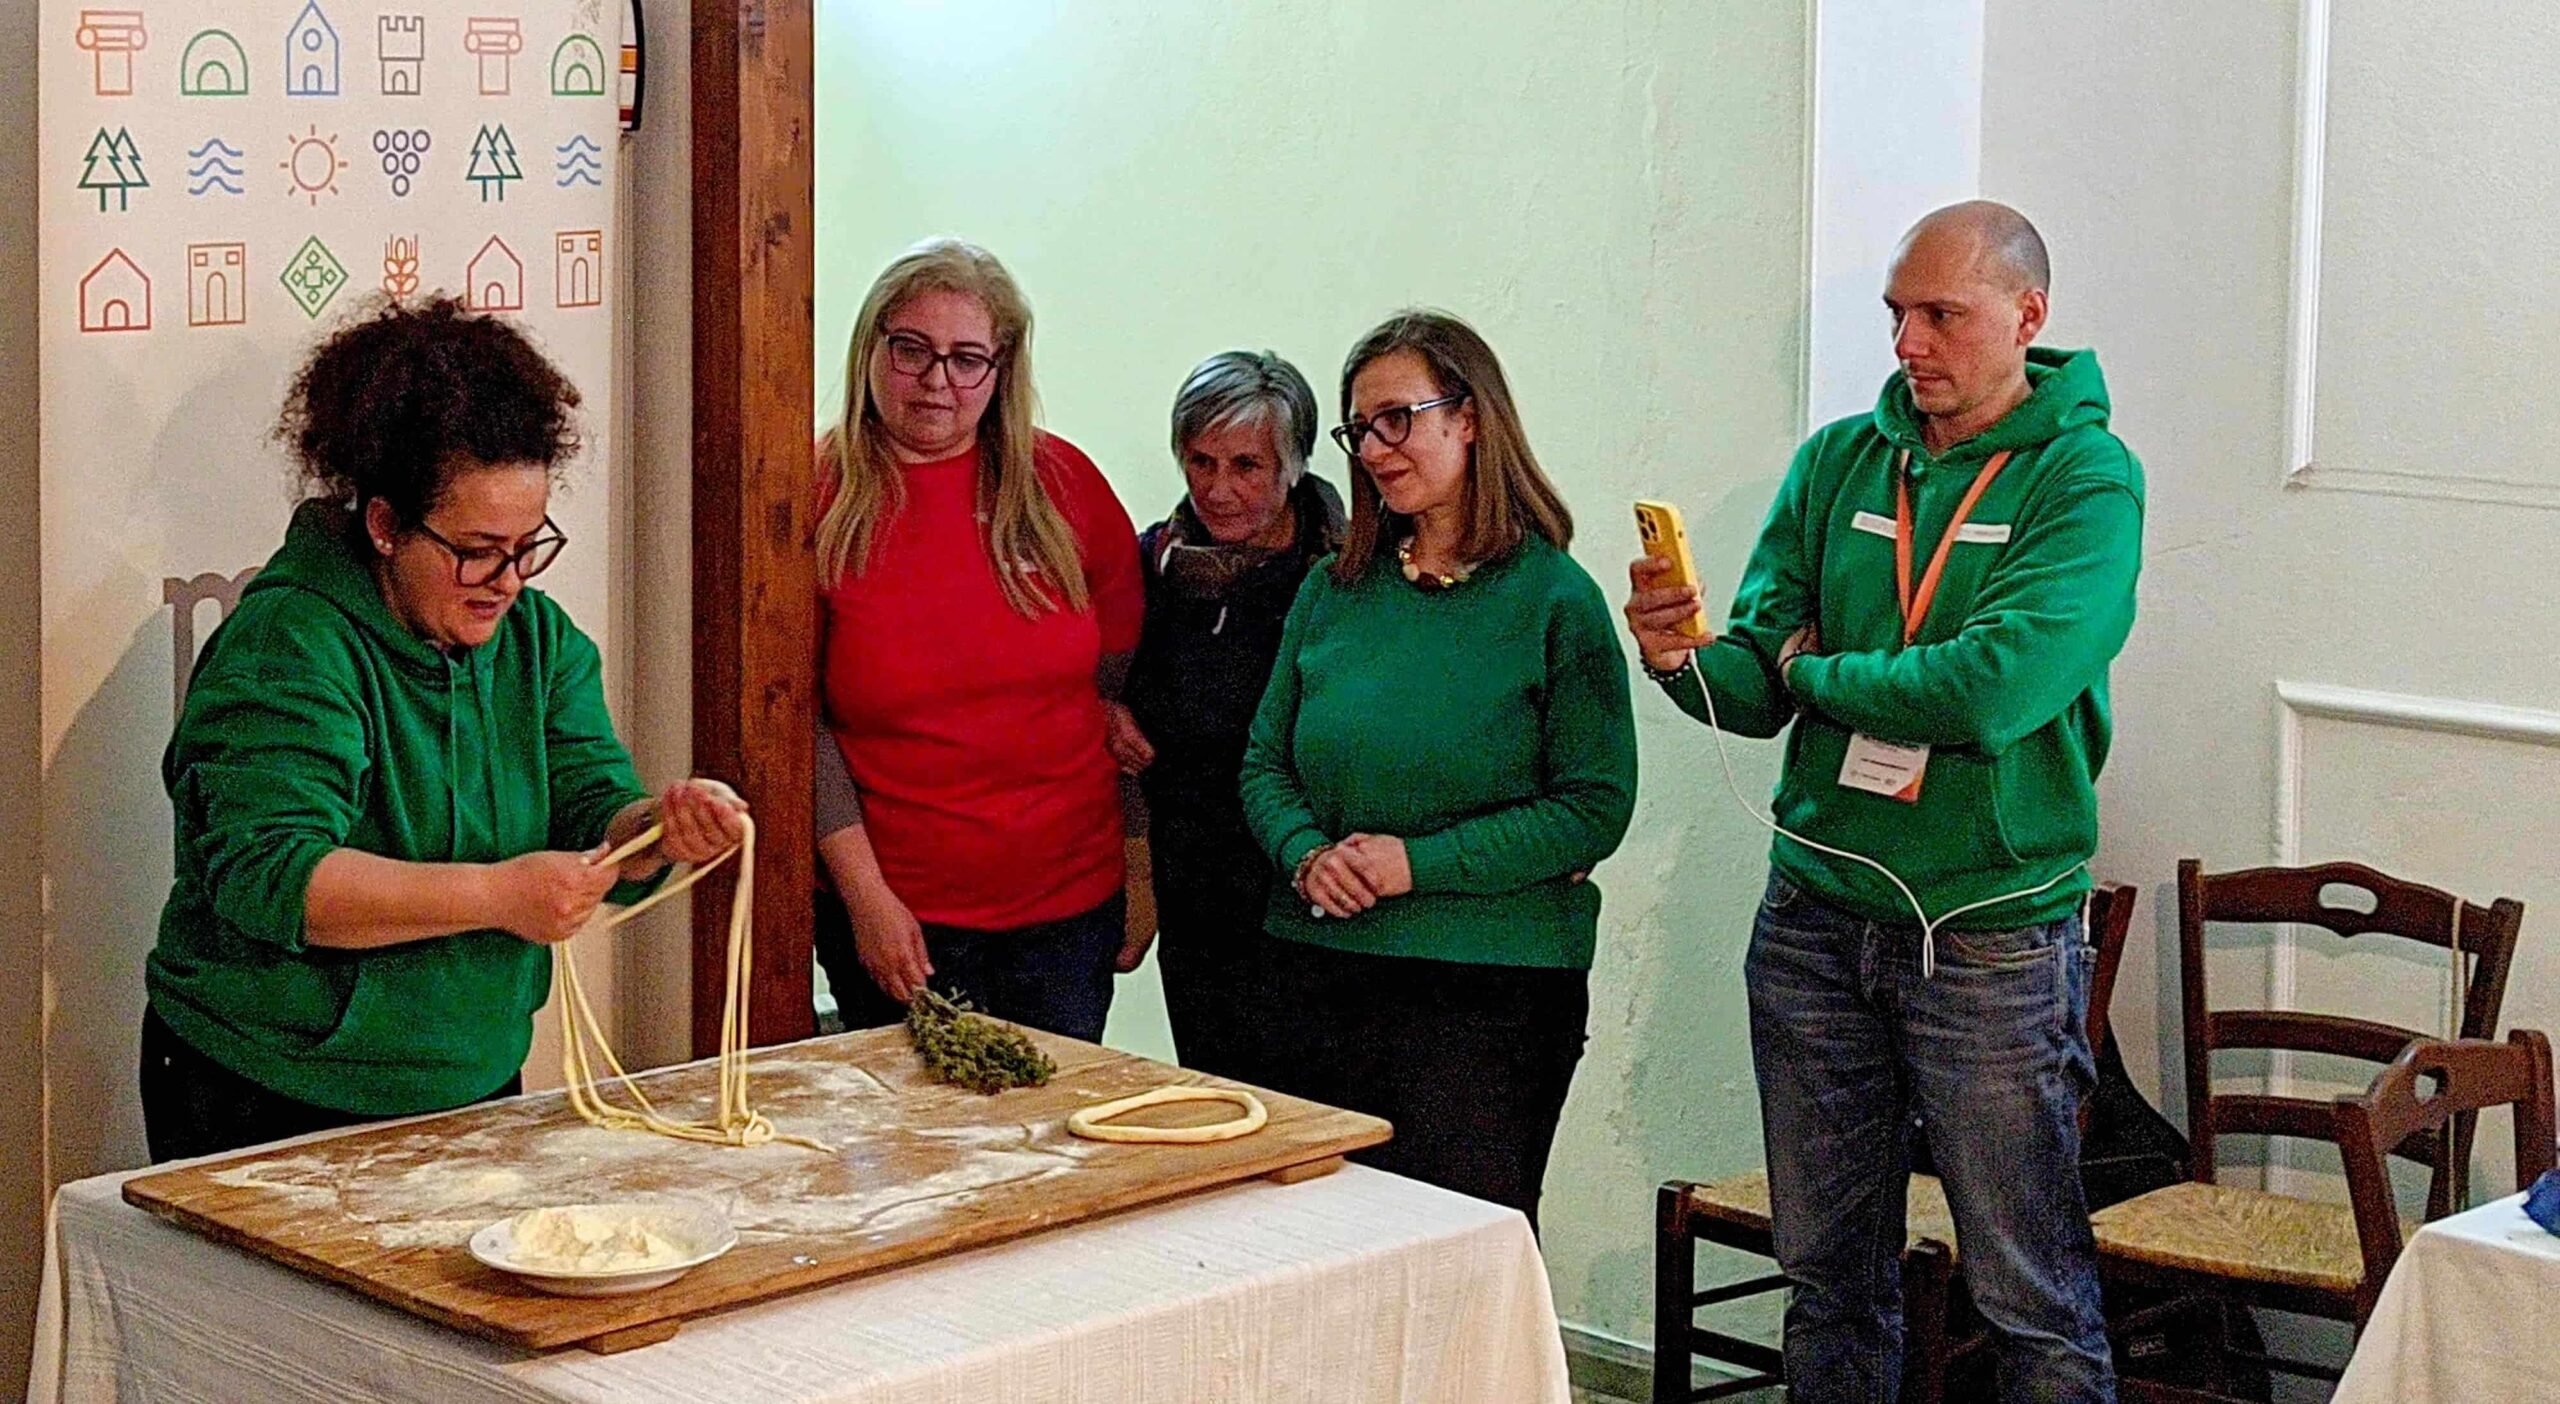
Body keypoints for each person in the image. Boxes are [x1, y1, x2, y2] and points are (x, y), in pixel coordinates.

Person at [1623, 201, 2141, 1401]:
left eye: (1940, 315)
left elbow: (1992, 690)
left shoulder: (2087, 478)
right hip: (1814, 916)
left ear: (2027, 315)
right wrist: (1679, 657)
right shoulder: (1839, 461)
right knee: (1827, 1280)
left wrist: (1816, 673)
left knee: (2028, 1297)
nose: (1908, 343)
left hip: (1988, 934)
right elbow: (1752, 676)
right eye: (1897, 314)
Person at [143, 295, 746, 1164]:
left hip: (467, 1077)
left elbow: (592, 809)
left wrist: (654, 832)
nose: (505, 581)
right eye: (475, 549)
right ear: (384, 524)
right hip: (266, 1087)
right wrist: (500, 895)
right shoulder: (290, 644)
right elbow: (275, 877)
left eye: (527, 546)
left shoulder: (539, 645)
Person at [1239, 310, 1635, 1228]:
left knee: (1452, 1256)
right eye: (1359, 427)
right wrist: (1307, 854)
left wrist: (1415, 864)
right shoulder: (1334, 587)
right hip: (1317, 961)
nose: (1374, 448)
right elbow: (1264, 761)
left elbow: (1592, 808)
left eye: (1397, 419)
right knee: (1313, 1252)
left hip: (1487, 987)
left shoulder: (1554, 599)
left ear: (1471, 419)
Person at [811, 239, 1143, 1042]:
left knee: (1058, 1148)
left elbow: (1119, 706)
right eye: (912, 351)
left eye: (967, 359)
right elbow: (800, 727)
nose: (937, 381)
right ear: (871, 351)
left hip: (1070, 911)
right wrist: (868, 902)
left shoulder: (1066, 485)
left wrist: (1140, 866)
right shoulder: (810, 496)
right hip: (903, 916)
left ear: (1001, 369)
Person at [1111, 350, 1344, 1082]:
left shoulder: (1345, 575)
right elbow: (1099, 687)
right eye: (1200, 461)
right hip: (1195, 890)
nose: (1218, 489)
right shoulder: (1151, 565)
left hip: (1311, 889)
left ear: (1295, 465)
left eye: (1246, 465)